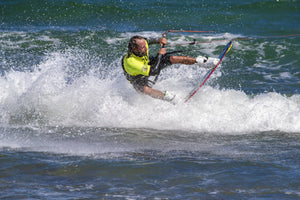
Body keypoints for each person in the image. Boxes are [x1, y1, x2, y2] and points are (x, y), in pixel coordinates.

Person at [121, 35, 219, 104]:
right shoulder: (131, 62)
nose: (146, 48)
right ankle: (170, 98)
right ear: (134, 49)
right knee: (145, 90)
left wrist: (159, 40)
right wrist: (160, 54)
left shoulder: (143, 44)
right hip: (137, 77)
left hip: (146, 64)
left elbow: (148, 40)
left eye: (145, 46)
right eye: (143, 48)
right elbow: (154, 71)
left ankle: (202, 62)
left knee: (172, 58)